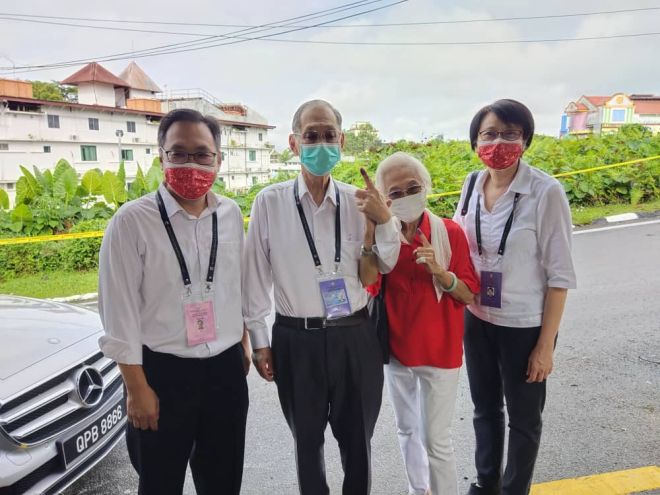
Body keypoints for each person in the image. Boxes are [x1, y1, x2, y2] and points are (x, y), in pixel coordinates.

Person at [243, 99, 401, 495]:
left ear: (342, 141)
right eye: (311, 135)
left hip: (355, 337)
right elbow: (254, 278)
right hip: (297, 341)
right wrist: (261, 343)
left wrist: (384, 221)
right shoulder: (270, 202)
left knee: (357, 442)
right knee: (306, 443)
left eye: (329, 135)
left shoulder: (360, 200)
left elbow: (385, 263)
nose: (320, 143)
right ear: (294, 143)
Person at [98, 108, 251, 495]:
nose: (190, 163)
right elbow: (119, 311)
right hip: (161, 376)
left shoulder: (230, 214)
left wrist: (243, 342)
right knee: (160, 483)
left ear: (218, 158)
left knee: (223, 480)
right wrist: (136, 388)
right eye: (178, 152)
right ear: (160, 154)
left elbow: (235, 285)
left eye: (202, 153)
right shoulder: (132, 221)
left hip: (225, 372)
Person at [453, 99, 576, 495]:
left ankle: (514, 489)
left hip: (525, 325)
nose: (499, 142)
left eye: (510, 134)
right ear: (476, 142)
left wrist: (545, 346)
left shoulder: (545, 192)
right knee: (484, 410)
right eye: (489, 134)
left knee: (524, 419)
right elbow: (459, 246)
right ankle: (486, 482)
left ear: (525, 139)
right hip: (478, 318)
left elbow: (559, 277)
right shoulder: (471, 184)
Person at [362, 152, 480, 495]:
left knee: (436, 439)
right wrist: (372, 231)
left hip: (440, 352)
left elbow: (468, 294)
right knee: (407, 430)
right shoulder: (386, 238)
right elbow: (369, 281)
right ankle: (418, 489)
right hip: (397, 351)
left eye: (412, 187)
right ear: (384, 199)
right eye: (395, 193)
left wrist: (440, 272)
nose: (405, 197)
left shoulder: (449, 233)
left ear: (425, 187)